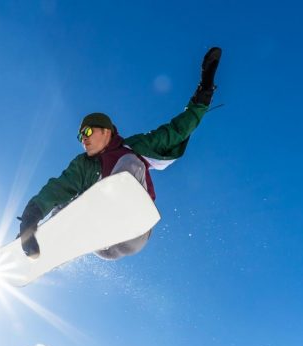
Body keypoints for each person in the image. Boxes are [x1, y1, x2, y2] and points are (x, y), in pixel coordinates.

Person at [17, 47, 223, 260]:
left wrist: (205, 88)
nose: (84, 139)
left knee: (129, 160)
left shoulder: (135, 147)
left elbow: (178, 129)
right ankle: (42, 247)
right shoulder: (83, 165)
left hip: (134, 231)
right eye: (80, 137)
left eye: (87, 132)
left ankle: (115, 209)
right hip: (101, 240)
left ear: (106, 130)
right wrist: (32, 216)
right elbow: (58, 187)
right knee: (63, 203)